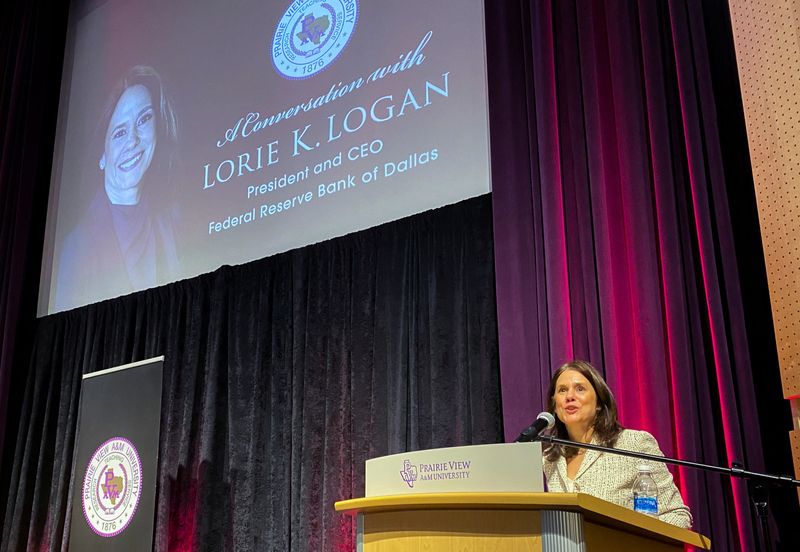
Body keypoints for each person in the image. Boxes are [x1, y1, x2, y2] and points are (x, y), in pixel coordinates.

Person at [55, 65, 181, 311]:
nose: (132, 140)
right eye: (119, 133)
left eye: (144, 119)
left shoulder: (173, 221)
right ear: (102, 156)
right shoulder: (77, 247)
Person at [542, 359, 693, 529]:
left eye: (580, 389)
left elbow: (677, 515)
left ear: (599, 402)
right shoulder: (549, 459)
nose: (570, 396)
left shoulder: (634, 444)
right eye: (562, 390)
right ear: (555, 405)